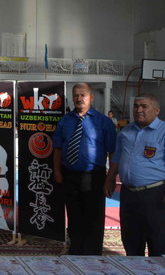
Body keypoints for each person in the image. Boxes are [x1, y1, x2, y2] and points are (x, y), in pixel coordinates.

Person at [104, 93, 165, 256]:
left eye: (144, 106)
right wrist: (110, 179)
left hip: (155, 194)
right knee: (130, 240)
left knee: (156, 241)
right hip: (128, 194)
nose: (139, 110)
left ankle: (159, 268)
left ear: (157, 110)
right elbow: (117, 159)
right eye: (136, 106)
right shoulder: (126, 131)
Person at [53, 83, 116, 255]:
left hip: (94, 176)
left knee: (93, 216)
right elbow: (58, 148)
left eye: (83, 95)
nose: (79, 98)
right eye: (76, 95)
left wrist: (110, 178)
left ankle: (92, 253)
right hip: (69, 174)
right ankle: (75, 249)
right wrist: (57, 171)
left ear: (91, 97)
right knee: (73, 214)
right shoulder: (65, 121)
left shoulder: (104, 122)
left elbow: (113, 152)